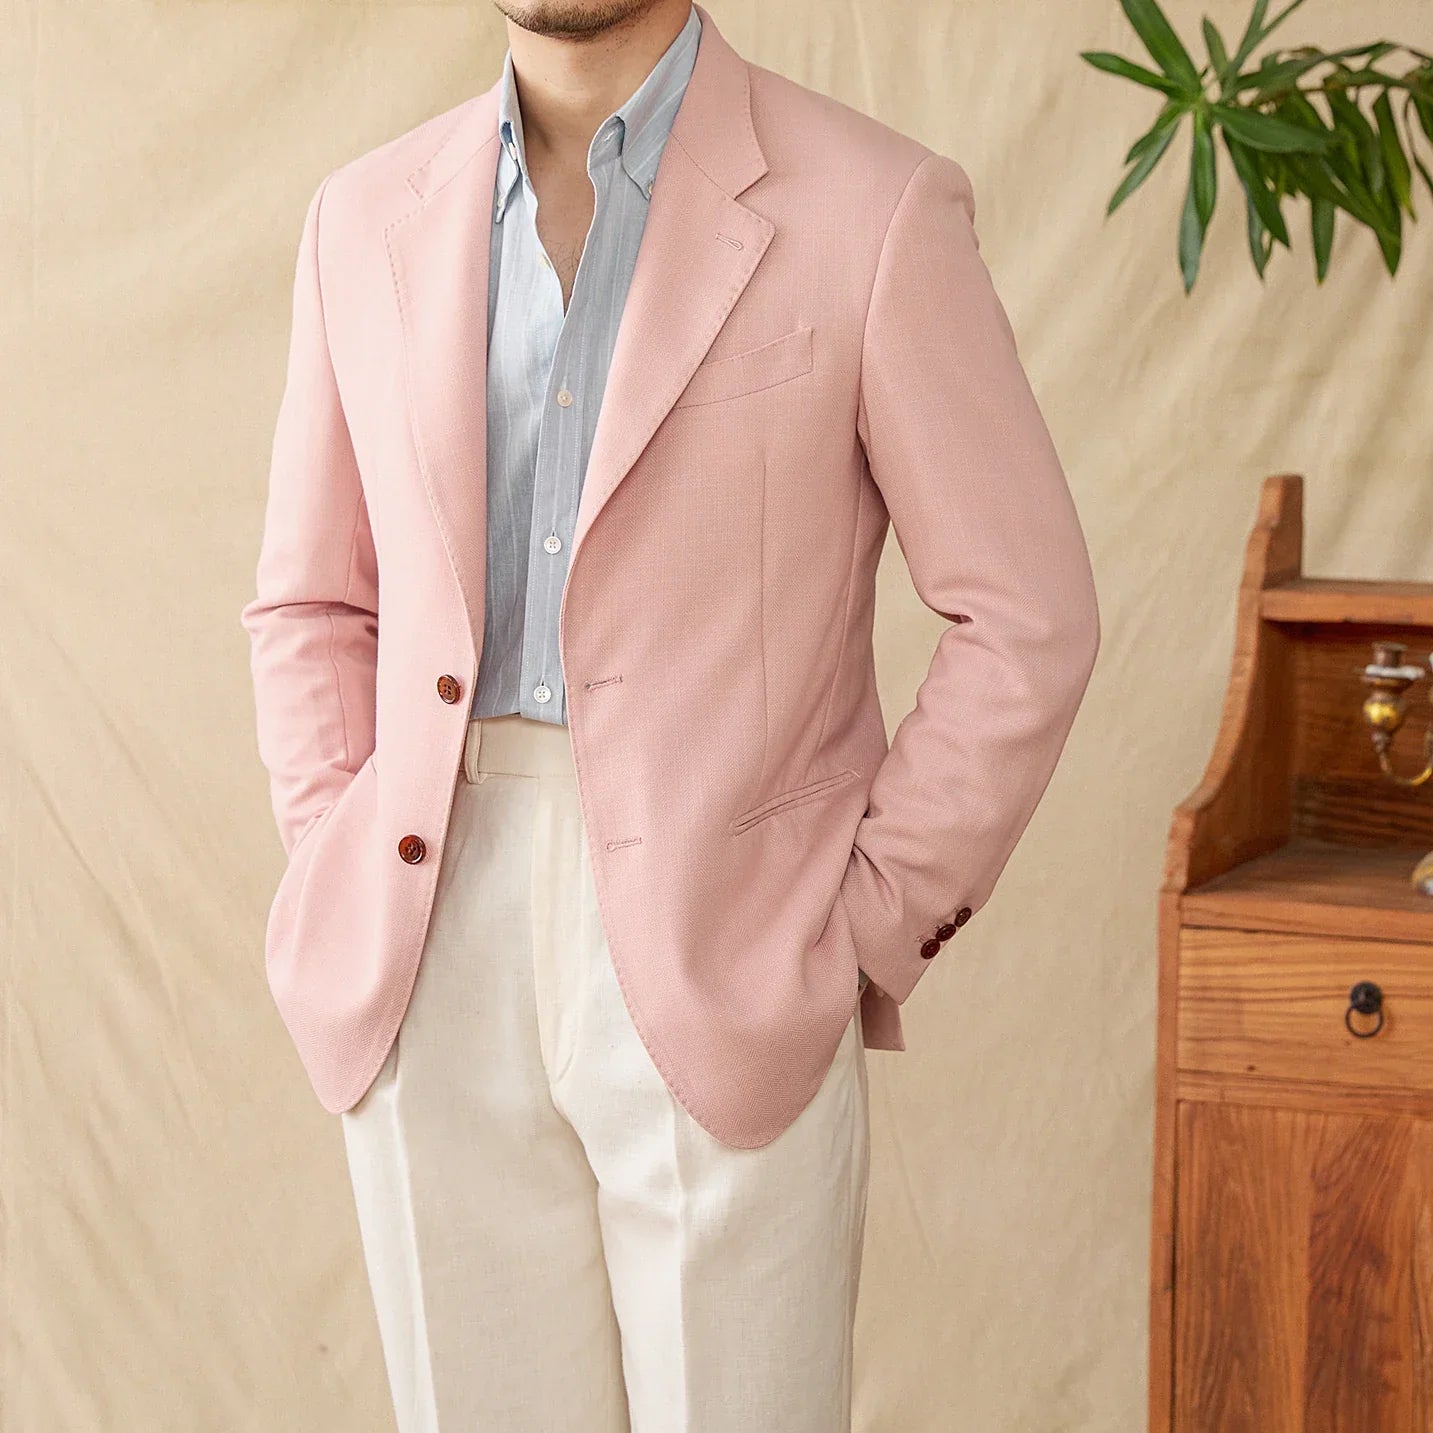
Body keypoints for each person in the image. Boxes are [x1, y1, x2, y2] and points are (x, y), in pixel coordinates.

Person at [239, 1, 1100, 1427]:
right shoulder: (361, 216)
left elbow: (1027, 610)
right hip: (421, 922)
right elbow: (312, 600)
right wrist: (338, 845)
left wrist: (864, 918)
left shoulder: (874, 207)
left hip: (733, 931)